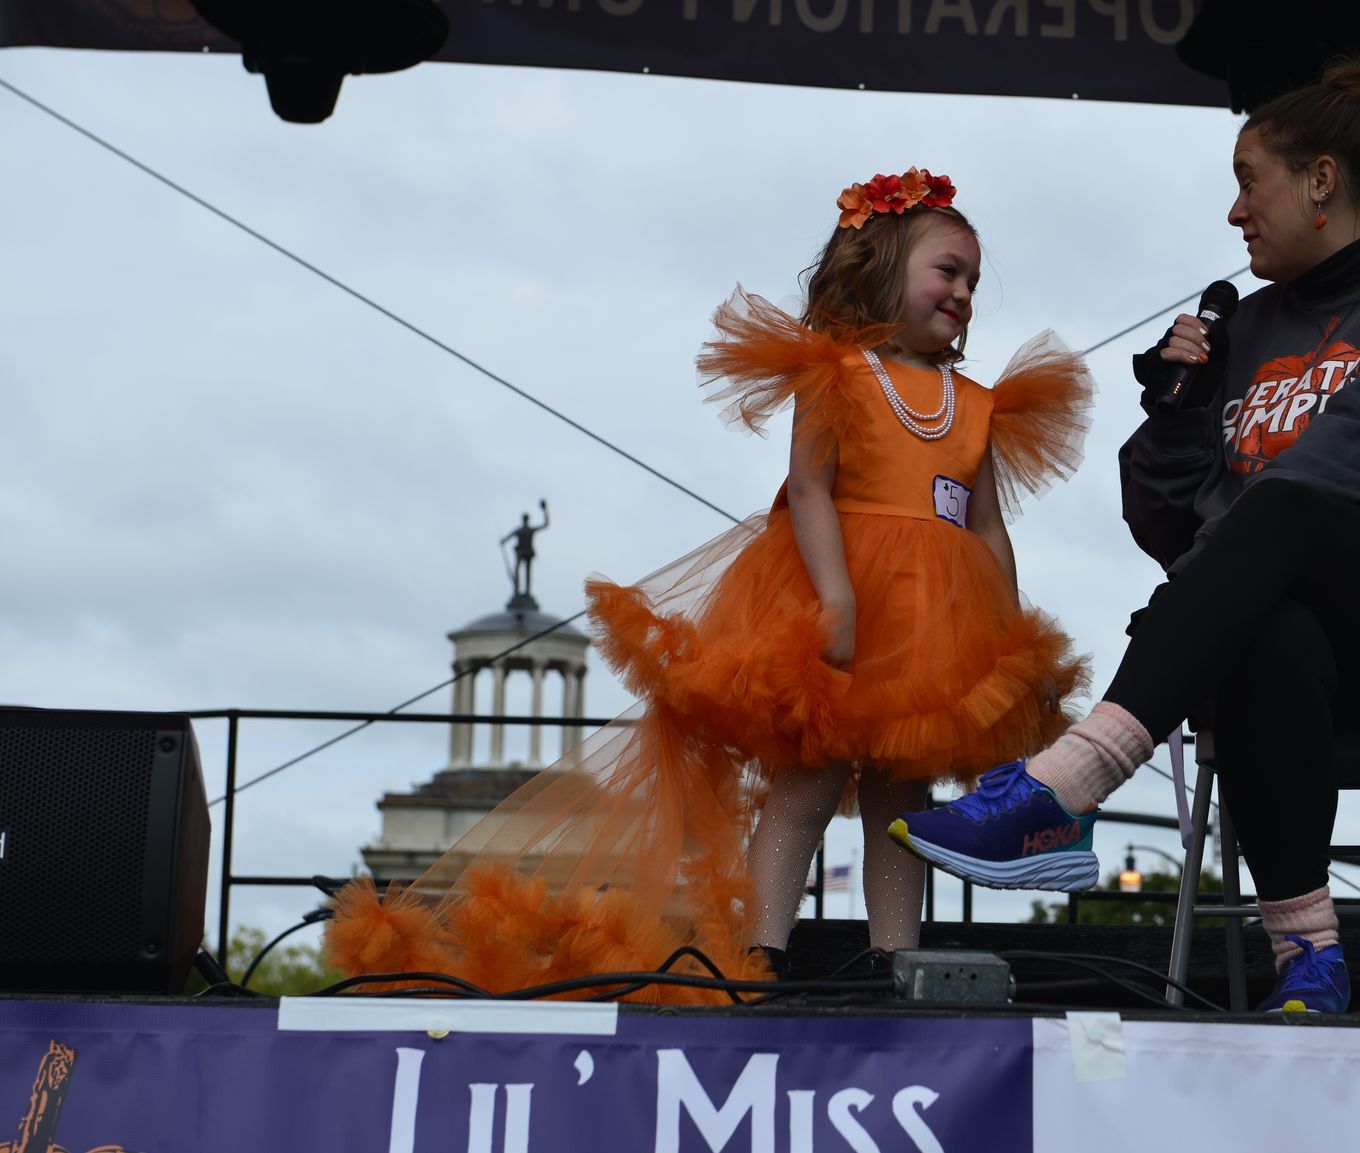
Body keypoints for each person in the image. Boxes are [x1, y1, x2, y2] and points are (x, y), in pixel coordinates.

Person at [324, 168, 1092, 998]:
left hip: (933, 623)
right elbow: (808, 489)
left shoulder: (979, 404)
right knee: (811, 774)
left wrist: (1007, 633)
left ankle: (894, 957)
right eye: (948, 270)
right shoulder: (836, 373)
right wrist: (836, 597)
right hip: (842, 598)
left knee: (904, 792)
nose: (965, 291)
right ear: (881, 267)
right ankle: (760, 950)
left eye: (974, 279)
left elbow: (985, 527)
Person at [892, 62, 1360, 1014]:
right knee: (1264, 632)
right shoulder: (1245, 328)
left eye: (1249, 180)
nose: (1234, 212)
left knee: (1279, 521)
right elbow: (1162, 520)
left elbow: (1341, 468)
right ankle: (1308, 954)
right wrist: (1179, 412)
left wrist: (1211, 569)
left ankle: (1070, 783)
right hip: (1299, 637)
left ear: (1321, 181)